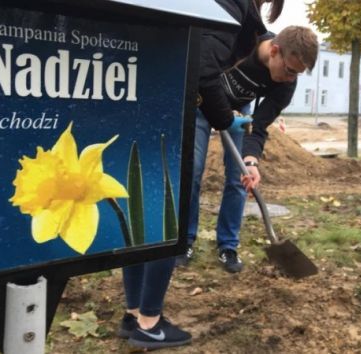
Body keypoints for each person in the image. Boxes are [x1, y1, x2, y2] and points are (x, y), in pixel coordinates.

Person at [117, 0, 286, 350]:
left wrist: (250, 158)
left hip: (147, 93)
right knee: (171, 200)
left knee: (146, 205)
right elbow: (202, 68)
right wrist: (223, 118)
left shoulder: (226, 13)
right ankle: (148, 322)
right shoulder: (232, 13)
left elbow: (257, 121)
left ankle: (133, 314)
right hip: (177, 104)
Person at [178, 26, 318, 273]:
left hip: (239, 113)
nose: (290, 79)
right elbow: (203, 68)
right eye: (289, 70)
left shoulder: (285, 85)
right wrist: (217, 110)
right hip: (200, 104)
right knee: (193, 170)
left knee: (239, 178)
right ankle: (185, 240)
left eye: (297, 75)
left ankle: (228, 246)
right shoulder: (239, 41)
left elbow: (260, 125)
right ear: (274, 51)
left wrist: (252, 161)